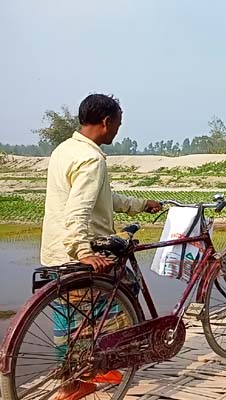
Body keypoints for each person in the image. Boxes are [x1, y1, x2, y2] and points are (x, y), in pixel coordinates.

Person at [40, 93, 161, 400]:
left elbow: (103, 198)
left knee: (65, 317)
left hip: (54, 252)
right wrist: (83, 251)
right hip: (76, 250)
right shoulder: (92, 159)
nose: (118, 130)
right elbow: (78, 210)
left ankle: (71, 383)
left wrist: (140, 204)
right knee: (124, 289)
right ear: (106, 122)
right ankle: (103, 363)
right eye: (118, 124)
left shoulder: (65, 150)